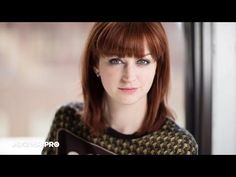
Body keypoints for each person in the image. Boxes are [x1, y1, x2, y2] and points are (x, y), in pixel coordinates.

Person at [42, 22, 198, 155]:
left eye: (143, 61)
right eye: (116, 61)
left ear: (157, 67)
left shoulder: (176, 146)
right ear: (96, 65)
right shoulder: (66, 121)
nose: (129, 76)